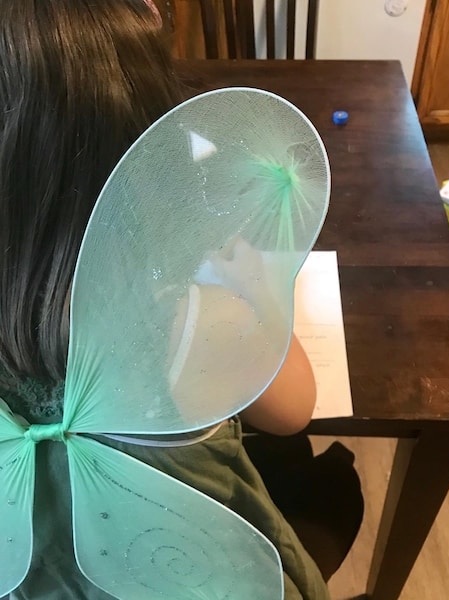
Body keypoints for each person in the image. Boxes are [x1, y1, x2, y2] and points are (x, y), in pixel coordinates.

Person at [0, 1, 362, 598]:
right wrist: (251, 289)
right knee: (335, 486)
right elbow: (293, 409)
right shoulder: (190, 320)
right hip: (184, 567)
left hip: (39, 570)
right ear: (146, 147)